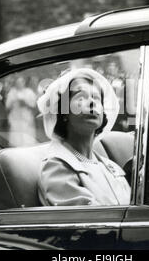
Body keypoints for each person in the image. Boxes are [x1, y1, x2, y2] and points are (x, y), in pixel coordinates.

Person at [37, 68, 131, 206]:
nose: (92, 103)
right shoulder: (57, 167)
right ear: (63, 112)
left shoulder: (111, 166)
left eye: (97, 98)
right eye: (81, 97)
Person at [6, 76, 38, 146]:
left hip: (26, 118)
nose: (19, 84)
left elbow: (34, 105)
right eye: (18, 82)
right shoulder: (12, 92)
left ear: (24, 83)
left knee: (27, 136)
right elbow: (7, 106)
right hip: (16, 118)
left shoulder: (29, 92)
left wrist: (25, 103)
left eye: (21, 82)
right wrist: (14, 102)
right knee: (16, 137)